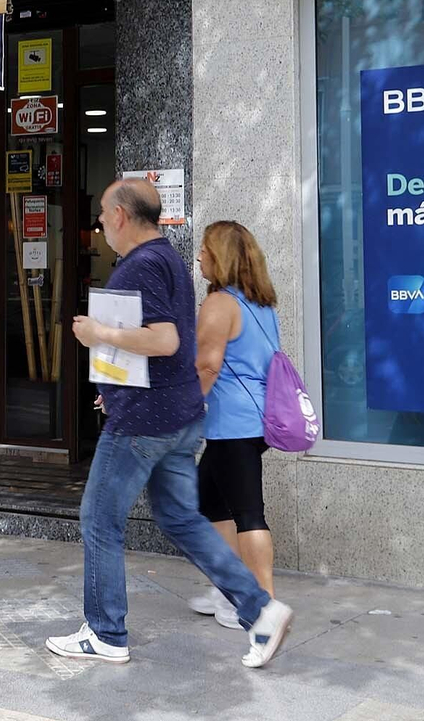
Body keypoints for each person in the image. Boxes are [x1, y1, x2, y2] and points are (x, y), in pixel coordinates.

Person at [45, 179, 293, 669]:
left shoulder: (141, 264)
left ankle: (105, 632)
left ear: (119, 215)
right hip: (177, 418)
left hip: (143, 422)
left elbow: (164, 341)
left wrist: (98, 333)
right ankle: (260, 611)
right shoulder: (170, 259)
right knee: (181, 519)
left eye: (100, 212)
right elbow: (165, 343)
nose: (98, 223)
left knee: (99, 519)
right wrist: (112, 380)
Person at [188, 221, 280, 627]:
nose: (199, 257)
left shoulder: (220, 303)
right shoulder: (261, 304)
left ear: (221, 256)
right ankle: (228, 588)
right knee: (208, 501)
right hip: (255, 419)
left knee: (247, 512)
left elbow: (208, 364)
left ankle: (260, 605)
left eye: (205, 250)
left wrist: (185, 406)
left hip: (234, 423)